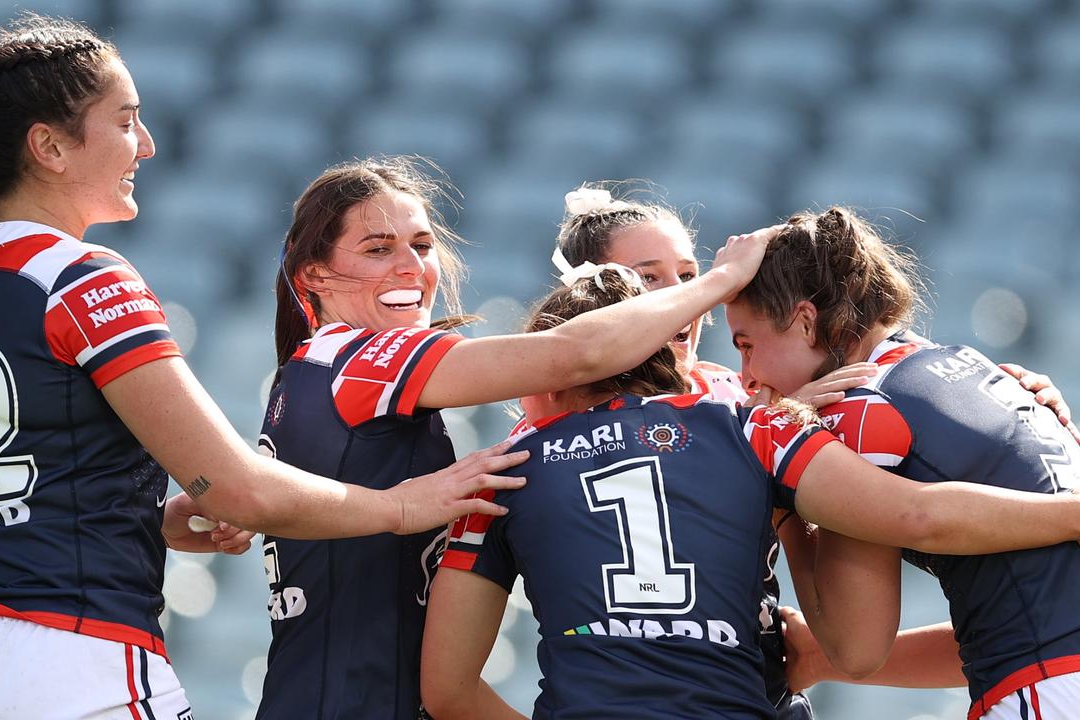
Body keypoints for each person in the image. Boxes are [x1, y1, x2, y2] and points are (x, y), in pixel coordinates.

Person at [0, 19, 526, 719]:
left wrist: (142, 516)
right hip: (74, 651)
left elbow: (26, 479)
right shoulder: (81, 277)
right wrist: (404, 505)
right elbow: (238, 490)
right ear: (48, 147)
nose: (147, 144)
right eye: (126, 122)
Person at [419, 268, 1080, 720]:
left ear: (555, 368)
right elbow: (915, 515)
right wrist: (1078, 512)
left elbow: (447, 692)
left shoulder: (499, 470)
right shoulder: (756, 431)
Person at [257, 158, 780, 719]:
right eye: (378, 249)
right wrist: (722, 281)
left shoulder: (314, 372)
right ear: (314, 275)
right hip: (356, 700)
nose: (412, 267)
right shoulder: (363, 358)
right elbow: (574, 356)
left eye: (423, 245)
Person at [550, 185, 1080, 718]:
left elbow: (861, 637)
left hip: (761, 701)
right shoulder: (549, 433)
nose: (687, 299)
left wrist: (788, 449)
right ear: (588, 296)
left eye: (691, 277)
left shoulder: (818, 407)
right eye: (648, 278)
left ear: (806, 319)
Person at [724, 207, 1080, 719]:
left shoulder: (860, 407)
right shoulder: (977, 368)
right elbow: (1011, 629)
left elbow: (857, 647)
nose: (746, 376)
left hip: (1054, 693)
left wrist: (786, 503)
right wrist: (817, 662)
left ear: (804, 320)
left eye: (748, 346)